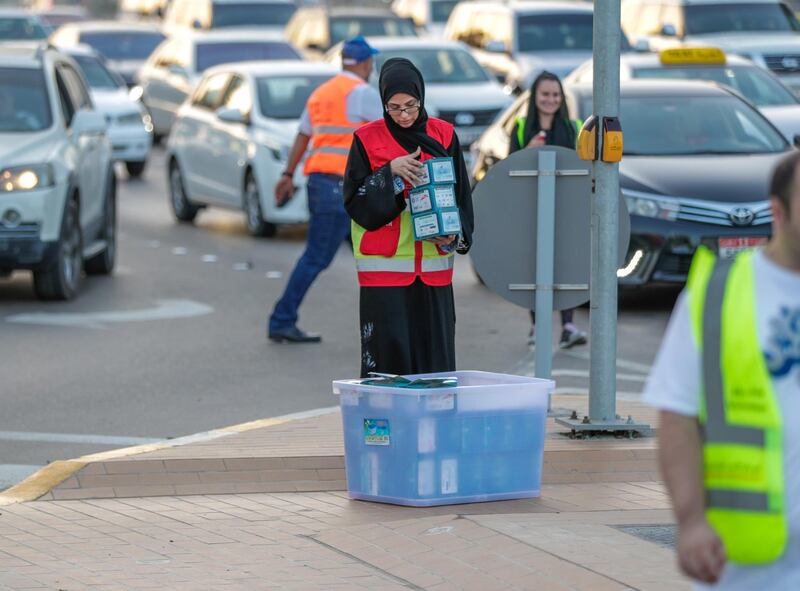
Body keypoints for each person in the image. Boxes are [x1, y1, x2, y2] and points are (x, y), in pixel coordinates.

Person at [643, 150, 800, 589]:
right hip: (746, 566)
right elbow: (677, 415)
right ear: (779, 211)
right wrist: (691, 520)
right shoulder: (717, 294)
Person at [343, 58, 474, 377]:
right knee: (388, 370)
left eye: (411, 106)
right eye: (394, 107)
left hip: (433, 277)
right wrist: (390, 175)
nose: (403, 115)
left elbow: (461, 199)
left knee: (435, 370)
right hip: (385, 276)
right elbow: (354, 202)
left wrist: (453, 237)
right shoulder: (366, 139)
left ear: (422, 97)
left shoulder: (443, 135)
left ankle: (434, 427)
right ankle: (385, 430)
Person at [268, 36, 383, 343]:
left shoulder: (322, 94)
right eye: (370, 62)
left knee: (370, 257)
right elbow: (386, 135)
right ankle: (281, 319)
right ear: (364, 63)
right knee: (319, 257)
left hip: (321, 183)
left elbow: (303, 135)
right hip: (342, 188)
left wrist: (288, 173)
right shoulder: (362, 94)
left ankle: (383, 325)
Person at [509, 71, 587, 349]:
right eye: (545, 94)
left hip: (564, 209)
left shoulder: (573, 127)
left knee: (566, 267)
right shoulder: (520, 127)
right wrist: (528, 150)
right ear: (535, 97)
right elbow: (510, 171)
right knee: (535, 269)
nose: (550, 100)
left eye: (555, 95)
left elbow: (581, 169)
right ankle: (537, 327)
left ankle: (568, 325)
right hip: (532, 209)